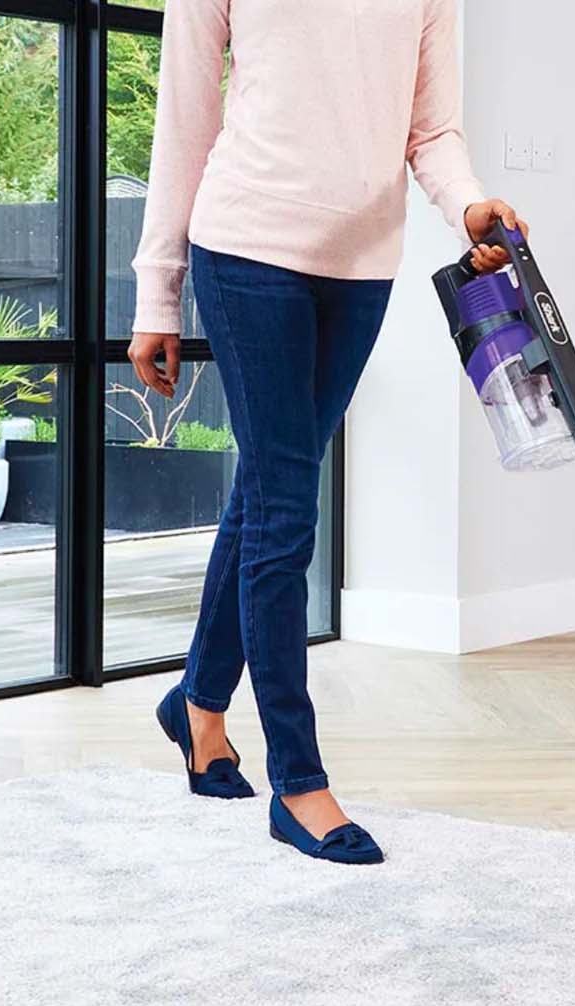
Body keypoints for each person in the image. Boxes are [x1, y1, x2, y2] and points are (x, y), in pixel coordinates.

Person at [128, 0, 525, 864]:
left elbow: (432, 129)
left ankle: (197, 704)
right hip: (246, 249)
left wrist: (468, 207)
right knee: (285, 508)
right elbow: (185, 120)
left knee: (268, 489)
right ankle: (298, 783)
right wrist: (157, 293)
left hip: (361, 269)